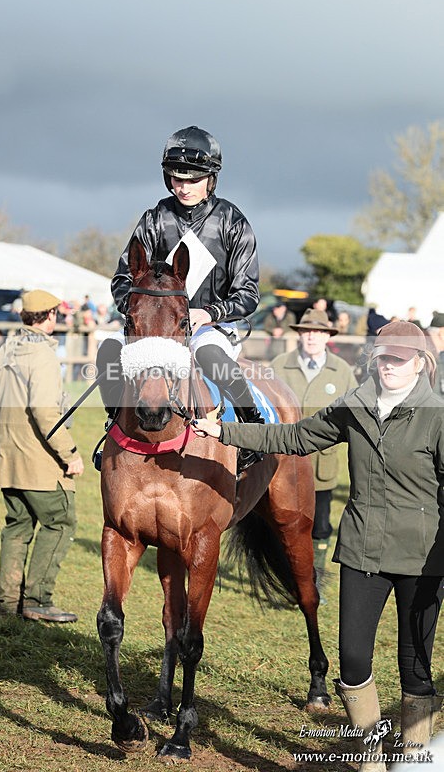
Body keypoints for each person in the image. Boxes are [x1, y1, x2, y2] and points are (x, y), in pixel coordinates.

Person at [192, 321, 443, 770]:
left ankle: (416, 760)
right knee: (351, 662)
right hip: (363, 549)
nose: (388, 366)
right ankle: (370, 758)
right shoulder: (357, 405)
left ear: (421, 364)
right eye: (383, 356)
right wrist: (225, 433)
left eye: (399, 359)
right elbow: (294, 437)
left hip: (424, 559)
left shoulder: (438, 414)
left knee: (416, 667)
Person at [95, 125, 263, 474]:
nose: (183, 187)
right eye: (176, 179)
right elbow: (123, 278)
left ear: (211, 178)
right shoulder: (155, 218)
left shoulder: (233, 222)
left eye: (193, 179)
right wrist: (142, 313)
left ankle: (252, 427)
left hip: (209, 326)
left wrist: (212, 312)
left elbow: (249, 293)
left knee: (209, 354)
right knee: (108, 351)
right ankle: (113, 425)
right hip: (157, 327)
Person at [0, 289, 84, 623]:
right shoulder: (44, 356)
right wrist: (70, 454)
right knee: (60, 521)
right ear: (50, 315)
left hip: (8, 461)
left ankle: (9, 605)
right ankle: (38, 600)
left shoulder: (5, 350)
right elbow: (44, 411)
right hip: (39, 463)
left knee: (17, 528)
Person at [268, 308, 357, 601]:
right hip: (281, 463)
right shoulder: (278, 365)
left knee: (319, 525)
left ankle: (314, 580)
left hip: (322, 464)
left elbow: (356, 414)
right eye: (306, 331)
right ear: (299, 334)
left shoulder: (342, 371)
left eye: (318, 332)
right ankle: (285, 581)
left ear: (327, 336)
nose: (311, 337)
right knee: (280, 523)